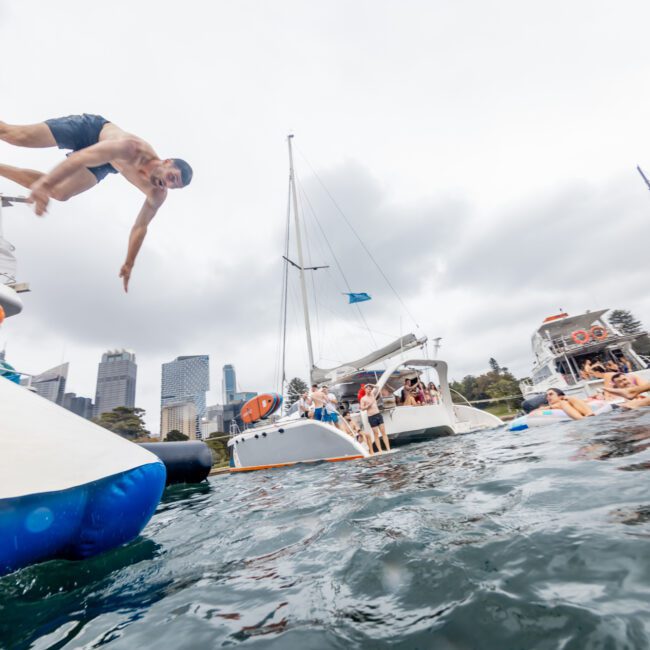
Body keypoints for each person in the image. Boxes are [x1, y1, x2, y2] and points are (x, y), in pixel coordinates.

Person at [0, 114, 193, 292]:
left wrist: (129, 263)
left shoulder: (157, 193)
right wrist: (44, 183)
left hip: (107, 163)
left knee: (60, 193)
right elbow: (80, 159)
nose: (166, 185)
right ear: (166, 162)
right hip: (91, 132)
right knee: (15, 136)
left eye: (172, 186)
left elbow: (140, 226)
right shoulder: (131, 148)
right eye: (171, 177)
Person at [360, 383, 390, 452]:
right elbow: (362, 408)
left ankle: (388, 449)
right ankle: (380, 450)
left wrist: (370, 385)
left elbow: (378, 387)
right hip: (371, 417)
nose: (369, 390)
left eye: (370, 389)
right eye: (368, 389)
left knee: (383, 432)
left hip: (378, 414)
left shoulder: (373, 394)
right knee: (376, 434)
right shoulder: (363, 399)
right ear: (365, 389)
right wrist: (367, 406)